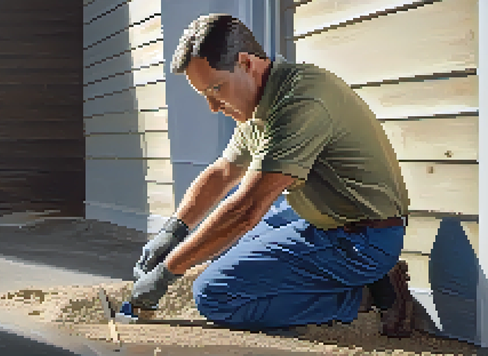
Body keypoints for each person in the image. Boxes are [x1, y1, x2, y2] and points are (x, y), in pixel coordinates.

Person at [129, 13, 414, 337]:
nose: (212, 106)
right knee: (212, 244)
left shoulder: (301, 101)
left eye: (216, 89)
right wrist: (174, 232)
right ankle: (349, 282)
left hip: (361, 240)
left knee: (215, 294)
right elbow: (223, 172)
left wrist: (167, 273)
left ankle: (361, 295)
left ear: (247, 63)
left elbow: (245, 210)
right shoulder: (260, 103)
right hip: (321, 214)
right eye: (204, 95)